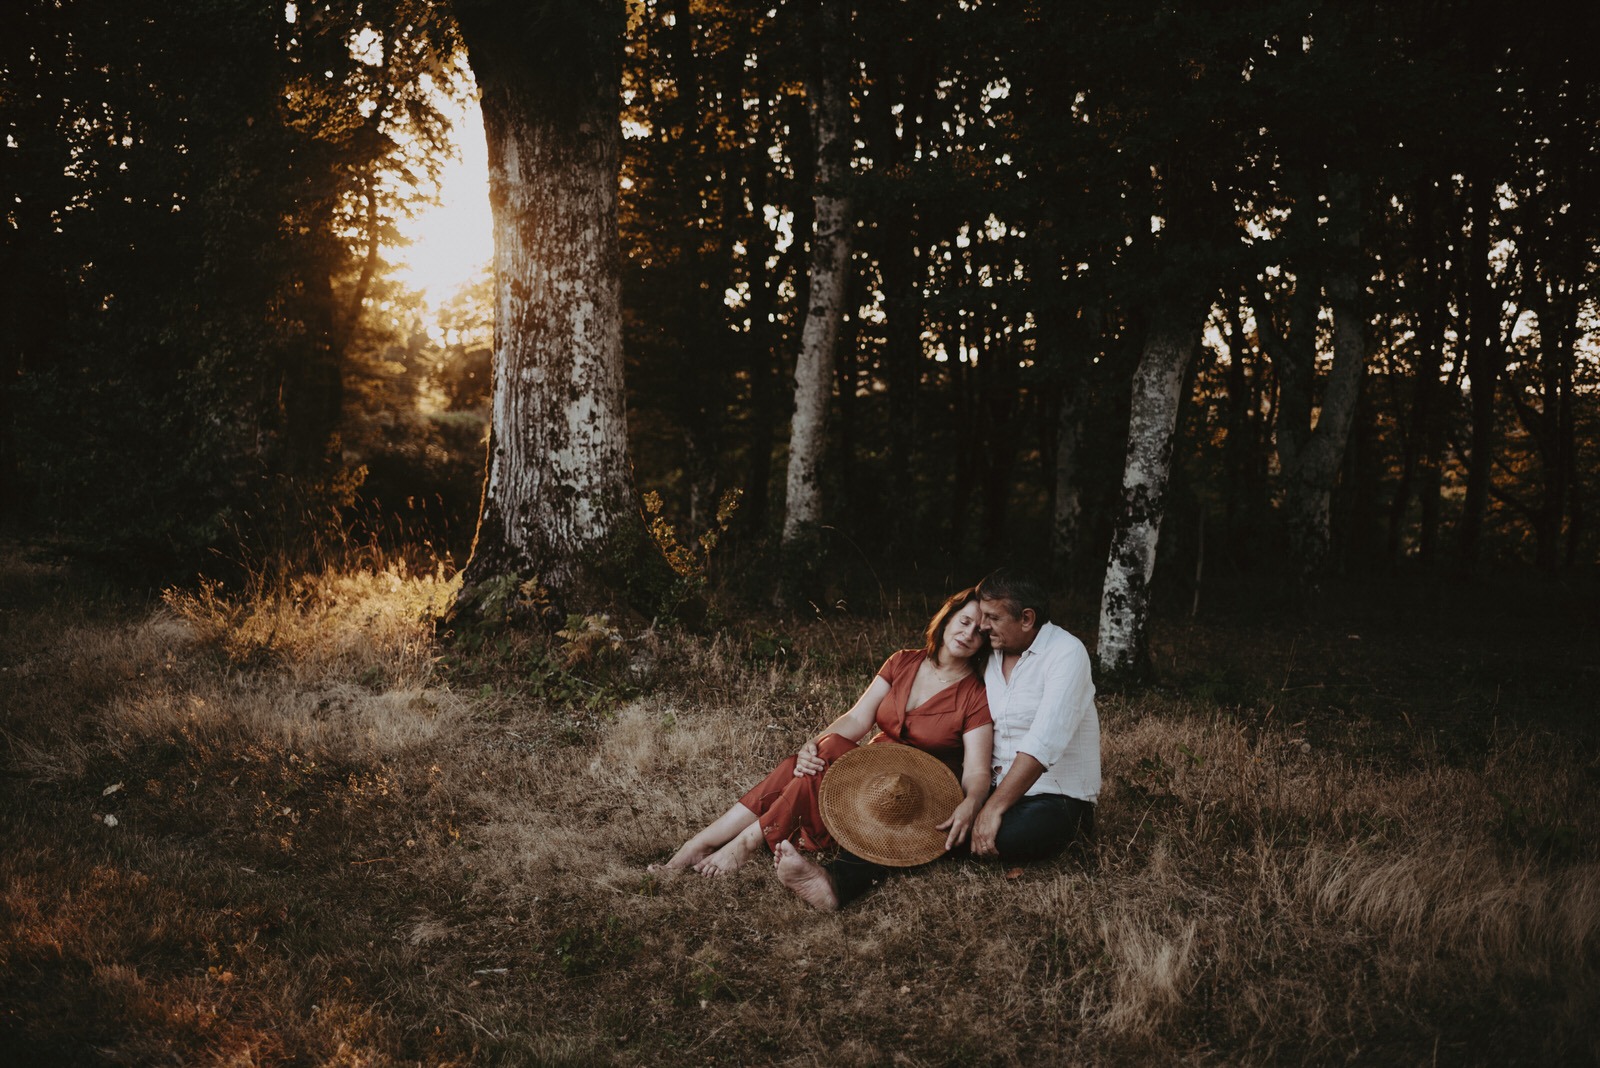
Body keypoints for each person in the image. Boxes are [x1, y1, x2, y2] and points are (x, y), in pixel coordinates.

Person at [776, 567, 1099, 910]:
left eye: (991, 617)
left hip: (1054, 798)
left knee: (977, 833)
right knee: (919, 809)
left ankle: (841, 879)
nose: (983, 625)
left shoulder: (1066, 654)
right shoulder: (993, 651)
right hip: (988, 787)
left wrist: (992, 809)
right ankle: (833, 881)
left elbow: (1042, 745)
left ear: (1026, 618)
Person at [654, 588, 994, 881]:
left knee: (822, 755)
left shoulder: (976, 693)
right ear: (947, 618)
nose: (968, 634)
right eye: (964, 621)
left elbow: (978, 769)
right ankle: (701, 844)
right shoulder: (903, 661)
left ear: (984, 643)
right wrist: (812, 746)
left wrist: (971, 803)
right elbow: (858, 718)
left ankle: (743, 843)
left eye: (979, 631)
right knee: (805, 761)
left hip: (912, 795)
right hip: (870, 772)